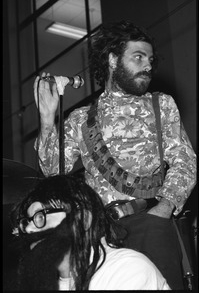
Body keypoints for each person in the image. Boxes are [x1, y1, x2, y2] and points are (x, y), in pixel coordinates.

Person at [33, 20, 197, 289]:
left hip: (152, 221)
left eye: (150, 59)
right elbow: (52, 172)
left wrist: (164, 209)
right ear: (112, 60)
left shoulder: (161, 104)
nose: (147, 65)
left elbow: (185, 160)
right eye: (138, 57)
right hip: (102, 234)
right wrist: (47, 119)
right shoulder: (81, 118)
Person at [10, 175, 170, 290]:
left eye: (40, 217)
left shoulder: (127, 270)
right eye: (26, 223)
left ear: (83, 220)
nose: (29, 230)